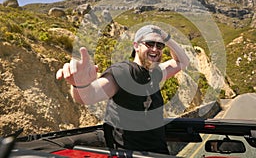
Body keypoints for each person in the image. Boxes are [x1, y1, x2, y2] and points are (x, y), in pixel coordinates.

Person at [56, 25, 190, 154]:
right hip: (130, 154)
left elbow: (182, 62)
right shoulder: (123, 72)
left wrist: (166, 37)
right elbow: (90, 96)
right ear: (136, 46)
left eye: (159, 45)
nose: (155, 49)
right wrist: (81, 84)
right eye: (149, 44)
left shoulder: (155, 73)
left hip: (159, 153)